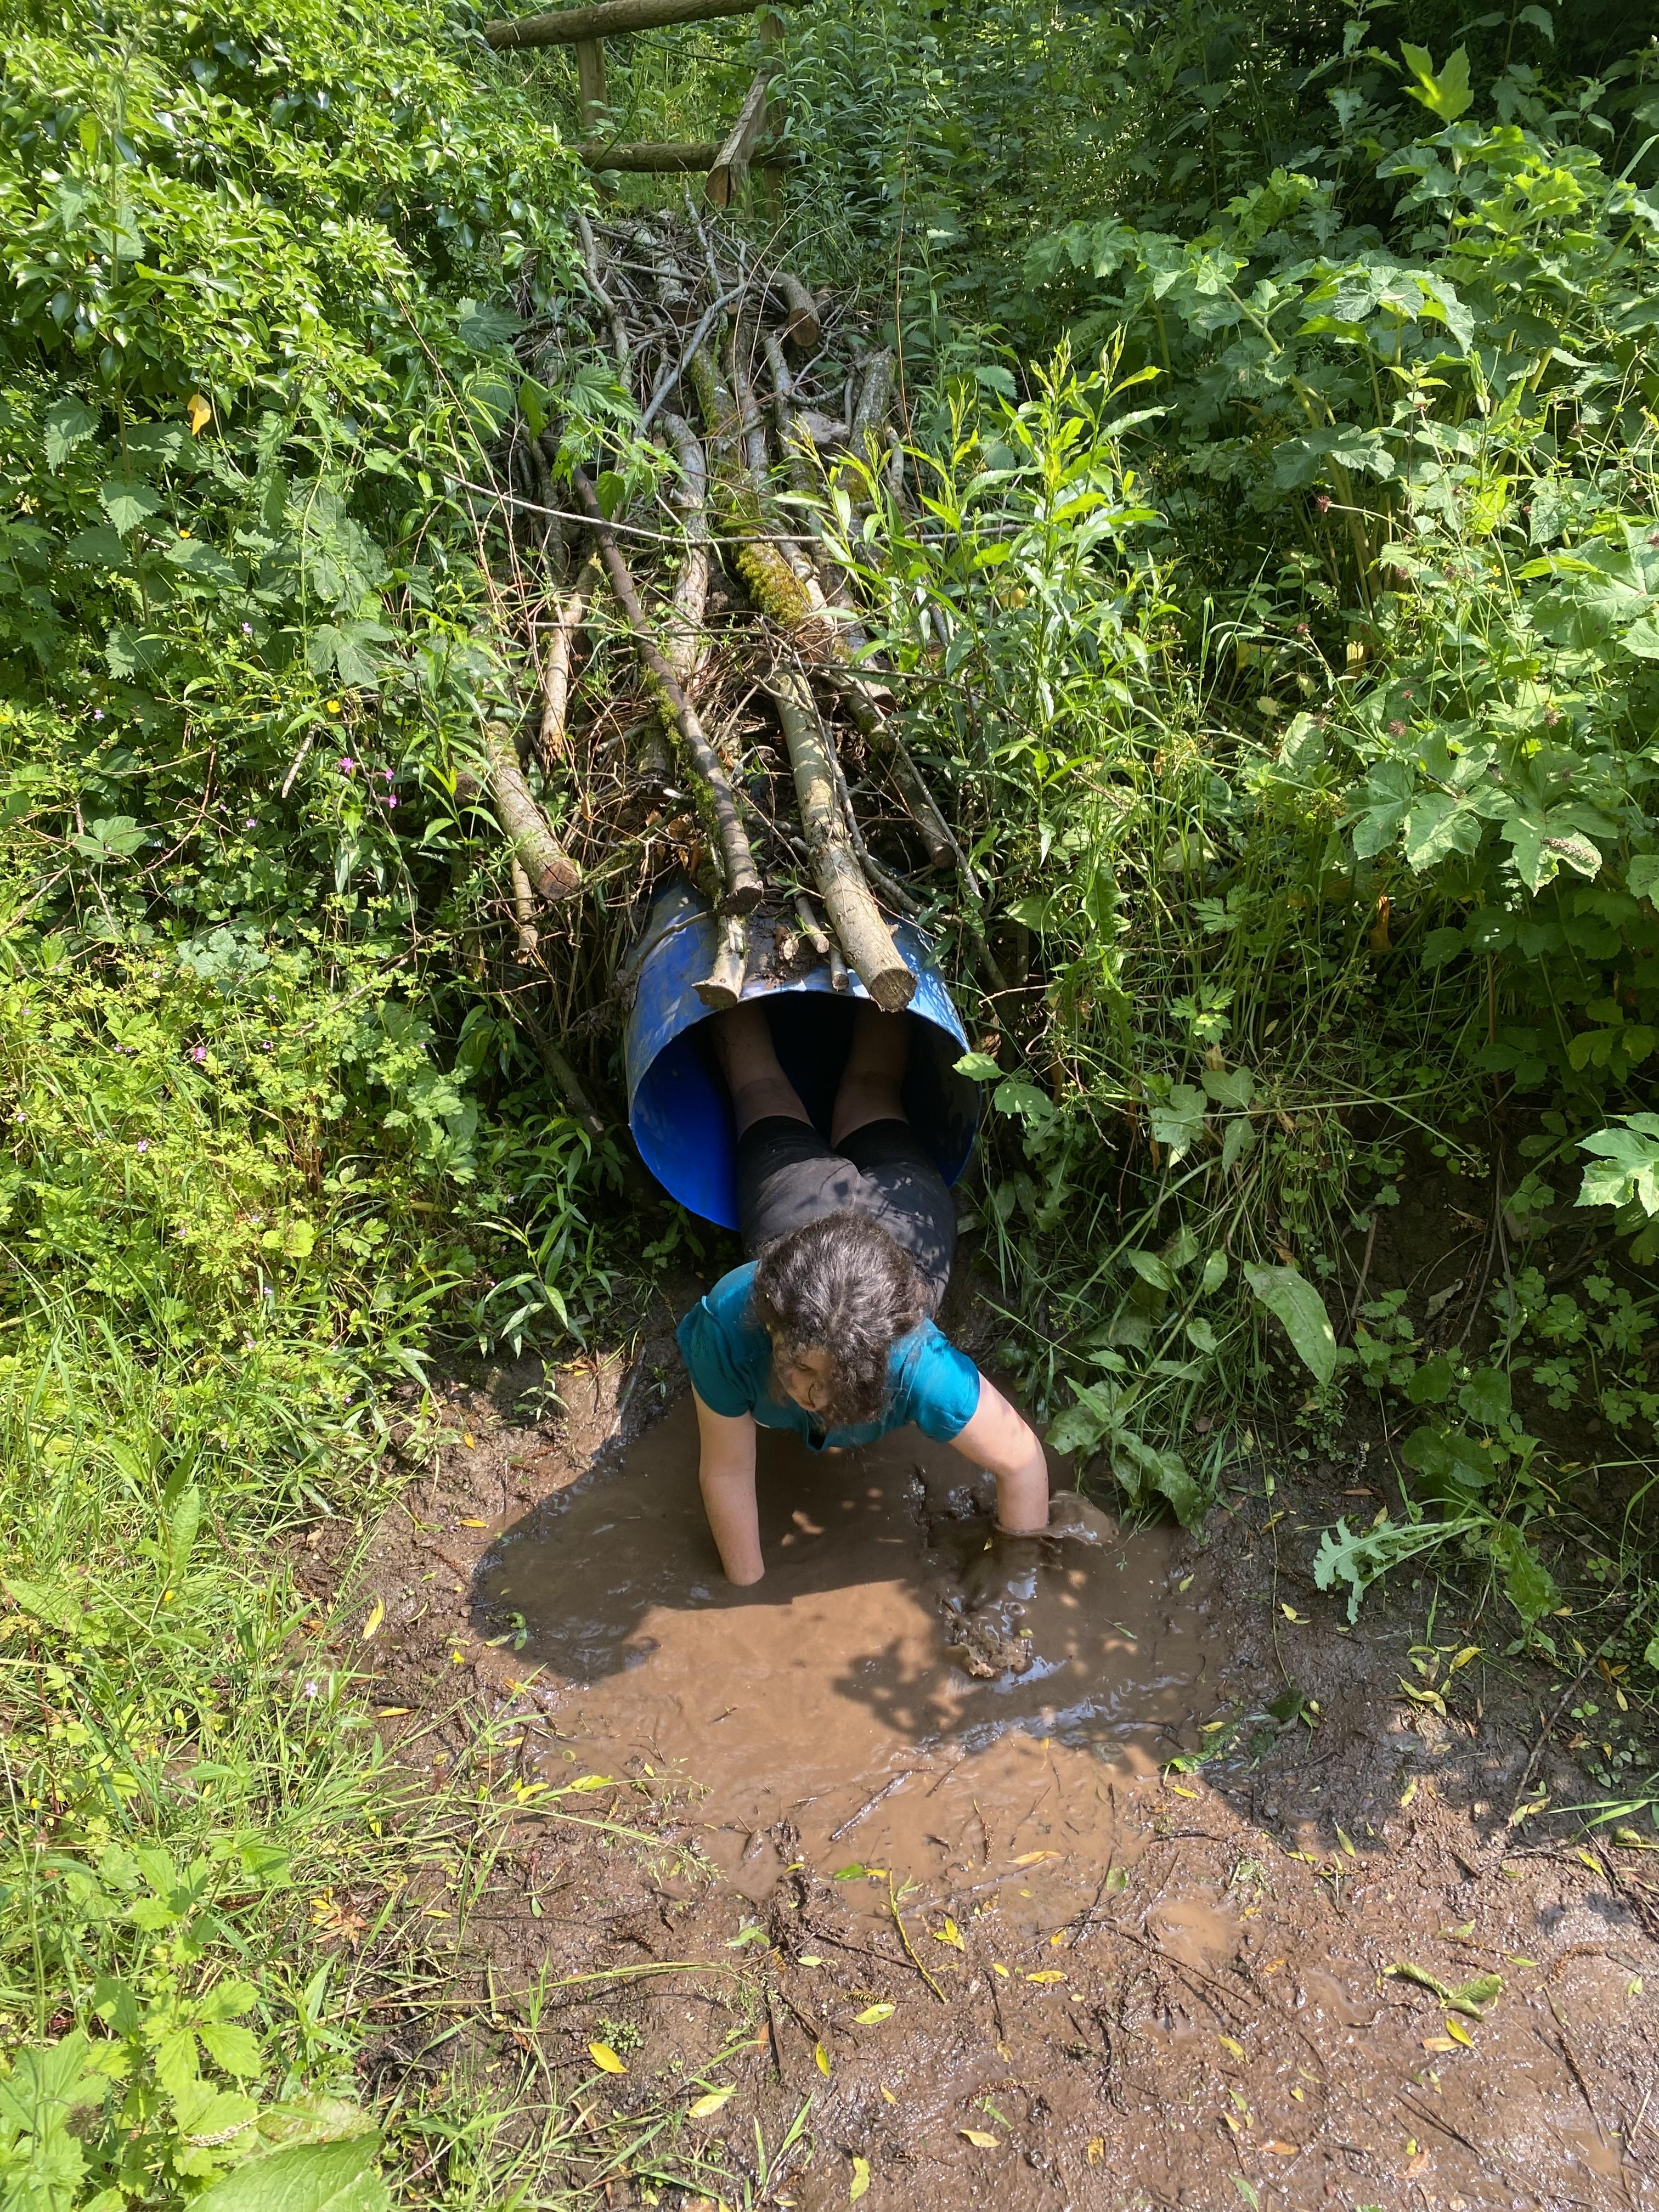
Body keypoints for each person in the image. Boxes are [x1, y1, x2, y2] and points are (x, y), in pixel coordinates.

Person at [676, 997, 1082, 1630]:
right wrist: (746, 1604)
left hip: (903, 1202)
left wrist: (1012, 1591)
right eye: (795, 1364)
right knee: (758, 1090)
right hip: (799, 1211)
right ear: (771, 1318)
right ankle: (731, 974)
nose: (808, 1394)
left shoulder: (917, 1361)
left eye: (829, 1379)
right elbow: (727, 1471)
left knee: (872, 1087)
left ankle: (886, 980)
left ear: (880, 1363)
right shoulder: (732, 1321)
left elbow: (1022, 1461)